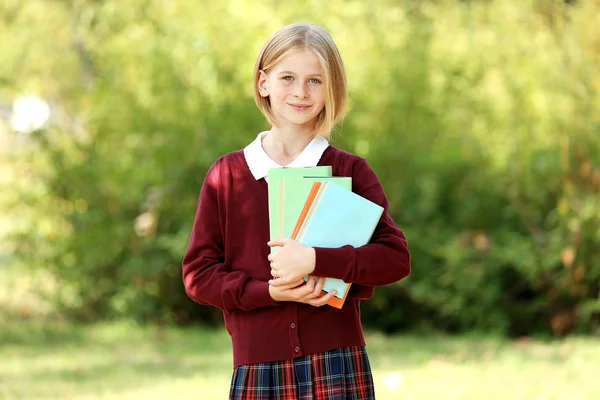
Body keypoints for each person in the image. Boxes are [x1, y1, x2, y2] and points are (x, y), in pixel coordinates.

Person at [182, 21, 411, 400]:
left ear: (331, 88)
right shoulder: (228, 175)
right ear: (263, 83)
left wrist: (315, 259)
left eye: (315, 81)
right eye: (287, 77)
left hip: (338, 362)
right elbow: (198, 275)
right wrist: (268, 292)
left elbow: (395, 258)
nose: (301, 92)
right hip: (256, 368)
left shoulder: (350, 170)